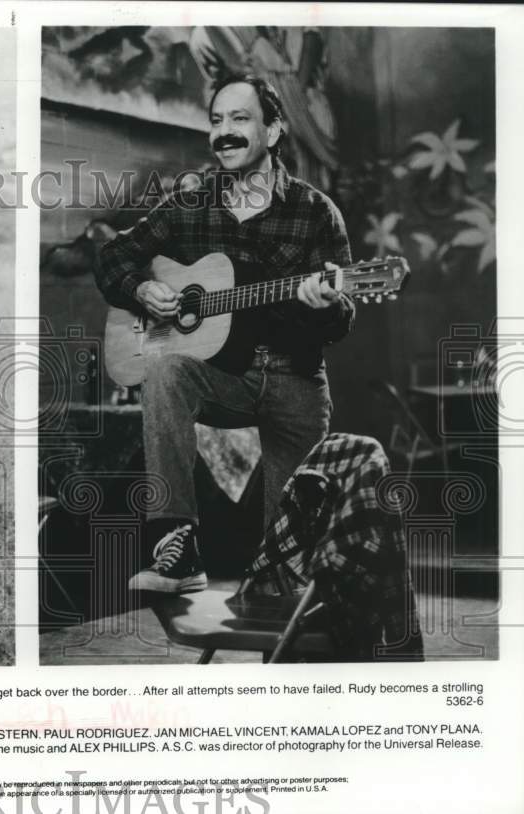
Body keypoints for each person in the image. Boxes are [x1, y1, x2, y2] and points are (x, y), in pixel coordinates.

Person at [96, 75, 355, 594]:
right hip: (220, 377)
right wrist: (143, 290)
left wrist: (323, 304)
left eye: (240, 119)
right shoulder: (191, 203)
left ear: (274, 130)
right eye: (217, 121)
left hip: (294, 381)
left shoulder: (314, 211)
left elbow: (343, 318)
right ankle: (179, 547)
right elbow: (113, 258)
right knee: (166, 368)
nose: (225, 132)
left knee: (291, 572)